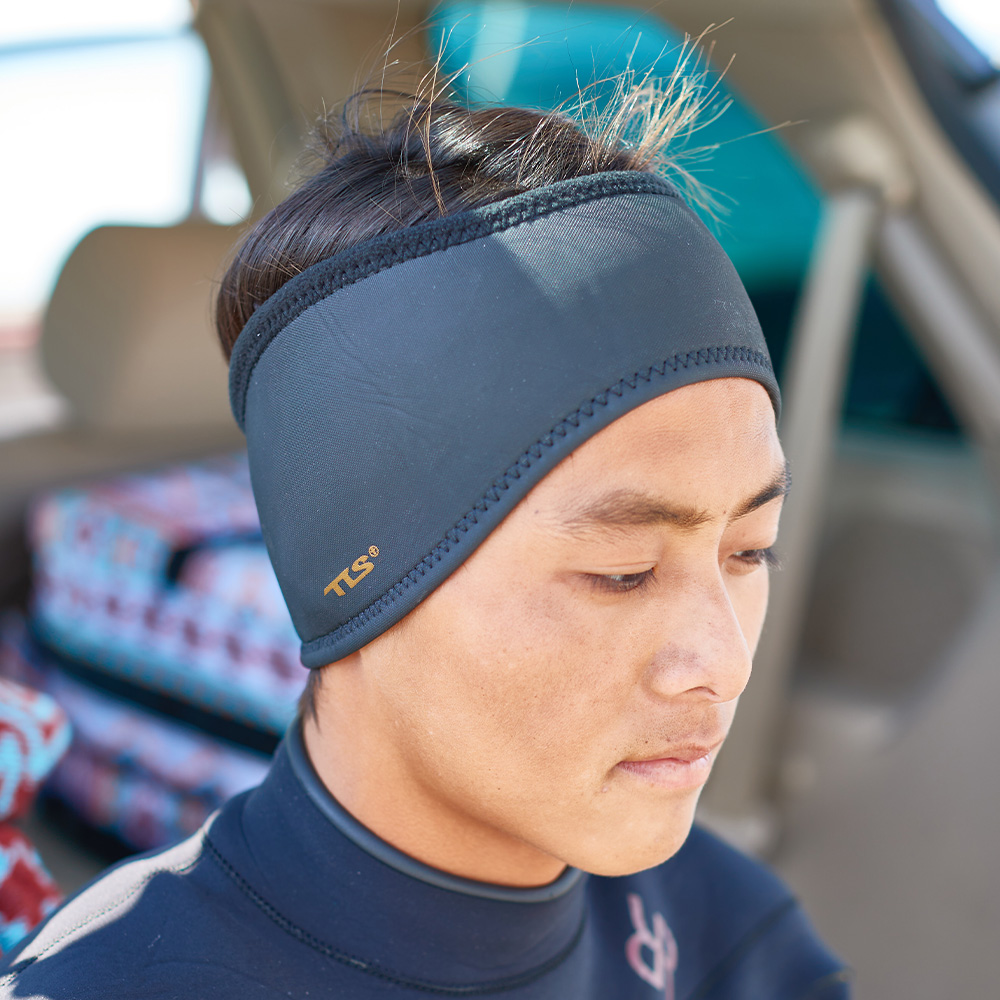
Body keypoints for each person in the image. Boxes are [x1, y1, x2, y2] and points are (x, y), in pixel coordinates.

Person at [0, 69, 852, 998]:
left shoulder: (729, 936)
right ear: (359, 577)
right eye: (623, 571)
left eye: (749, 550)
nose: (722, 662)